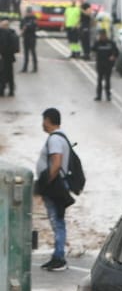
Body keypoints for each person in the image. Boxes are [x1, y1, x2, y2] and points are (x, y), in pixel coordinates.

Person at [35, 108, 73, 271]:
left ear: (48, 120)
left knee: (57, 221)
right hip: (58, 184)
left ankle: (59, 258)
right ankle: (58, 255)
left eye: (43, 120)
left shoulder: (55, 140)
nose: (42, 124)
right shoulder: (60, 137)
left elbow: (56, 163)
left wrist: (45, 184)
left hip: (55, 186)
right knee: (57, 220)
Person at [91, 28, 116, 101]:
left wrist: (113, 56)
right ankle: (99, 96)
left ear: (105, 35)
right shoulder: (97, 43)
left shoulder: (111, 43)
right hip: (100, 64)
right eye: (100, 35)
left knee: (107, 80)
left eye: (103, 35)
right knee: (99, 80)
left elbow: (116, 52)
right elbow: (93, 50)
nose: (101, 37)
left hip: (108, 64)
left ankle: (108, 96)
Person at [0, 17, 16, 96]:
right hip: (10, 57)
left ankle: (2, 90)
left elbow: (3, 46)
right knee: (10, 75)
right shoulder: (12, 32)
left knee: (2, 74)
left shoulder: (3, 33)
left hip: (3, 57)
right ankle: (11, 90)